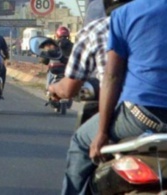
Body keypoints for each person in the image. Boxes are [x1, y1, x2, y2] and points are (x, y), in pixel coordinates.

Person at [48, 0, 134, 194]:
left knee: (80, 142)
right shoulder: (151, 23)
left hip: (136, 110)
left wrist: (102, 132)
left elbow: (110, 78)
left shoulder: (100, 28)